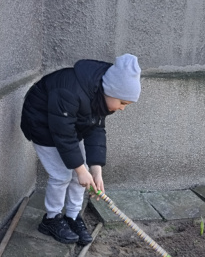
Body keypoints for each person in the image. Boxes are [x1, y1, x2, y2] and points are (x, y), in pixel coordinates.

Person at [19, 54, 141, 245]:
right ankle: (51, 219)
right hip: (42, 125)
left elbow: (95, 130)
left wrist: (95, 170)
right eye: (123, 103)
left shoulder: (100, 95)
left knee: (82, 176)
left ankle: (73, 216)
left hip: (68, 128)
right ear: (110, 91)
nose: (123, 109)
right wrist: (81, 169)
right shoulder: (70, 91)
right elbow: (63, 135)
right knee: (62, 175)